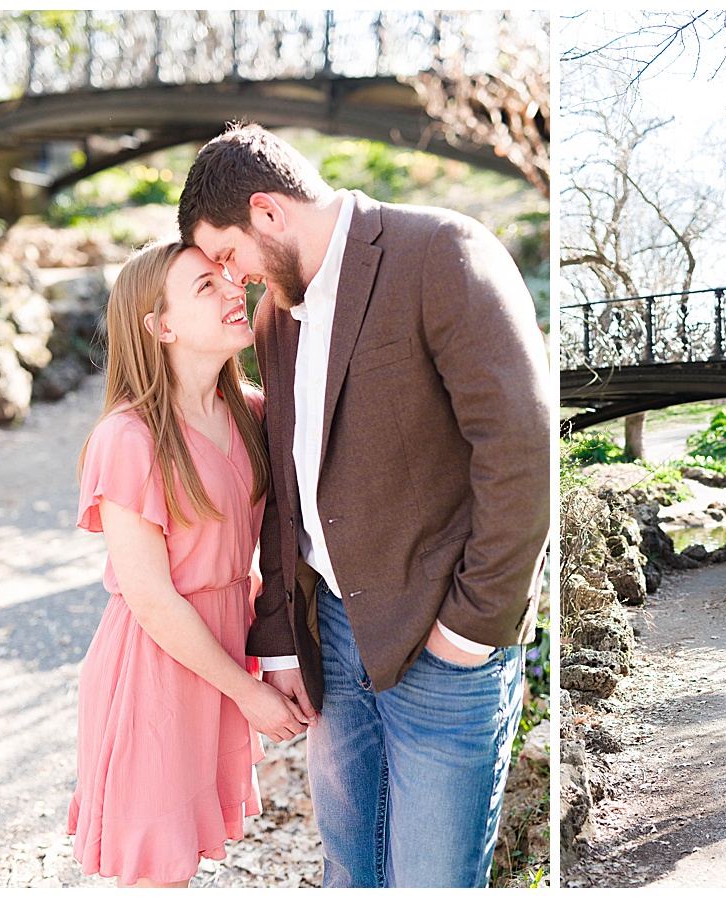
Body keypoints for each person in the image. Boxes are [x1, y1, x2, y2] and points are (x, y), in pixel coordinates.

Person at [176, 123, 551, 888]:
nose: (234, 279)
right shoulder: (280, 314)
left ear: (269, 214)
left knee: (433, 880)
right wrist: (281, 637)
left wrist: (469, 632)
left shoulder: (442, 252)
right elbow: (288, 481)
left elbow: (520, 454)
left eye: (228, 254)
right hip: (334, 642)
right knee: (350, 871)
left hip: (443, 643)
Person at [69, 240, 311, 887]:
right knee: (159, 868)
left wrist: (275, 657)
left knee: (188, 857)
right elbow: (150, 597)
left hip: (225, 650)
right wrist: (249, 691)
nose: (236, 290)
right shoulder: (128, 438)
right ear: (160, 325)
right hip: (157, 666)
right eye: (206, 286)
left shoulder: (252, 411)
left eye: (230, 278)